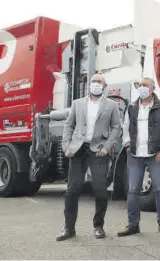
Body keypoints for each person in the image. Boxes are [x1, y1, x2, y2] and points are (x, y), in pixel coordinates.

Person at [57, 73, 121, 241]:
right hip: (78, 149)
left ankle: (98, 225)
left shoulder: (112, 105)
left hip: (99, 150)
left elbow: (116, 127)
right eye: (93, 81)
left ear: (105, 86)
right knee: (72, 190)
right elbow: (69, 126)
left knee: (100, 190)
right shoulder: (77, 104)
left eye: (99, 82)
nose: (96, 84)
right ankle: (68, 228)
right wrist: (67, 147)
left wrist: (107, 147)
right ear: (89, 84)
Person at [117, 77, 160, 236]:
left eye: (145, 85)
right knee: (132, 190)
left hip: (155, 154)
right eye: (140, 85)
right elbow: (126, 129)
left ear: (152, 89)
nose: (142, 87)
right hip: (135, 154)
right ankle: (132, 225)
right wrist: (128, 144)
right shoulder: (131, 107)